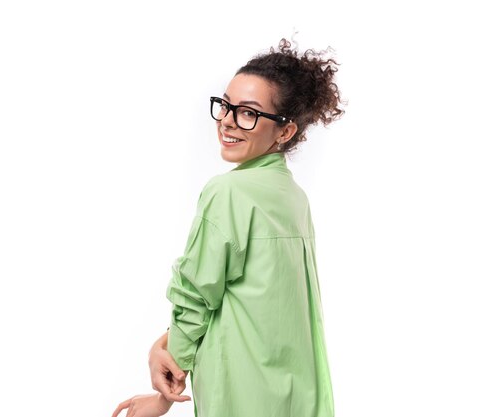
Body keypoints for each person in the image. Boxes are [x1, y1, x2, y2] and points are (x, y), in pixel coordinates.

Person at [112, 37, 345, 417]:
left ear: (285, 131)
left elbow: (196, 295)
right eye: (225, 106)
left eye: (248, 113)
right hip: (297, 396)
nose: (227, 121)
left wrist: (164, 387)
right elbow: (248, 297)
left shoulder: (229, 192)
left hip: (244, 393)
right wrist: (167, 342)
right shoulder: (292, 196)